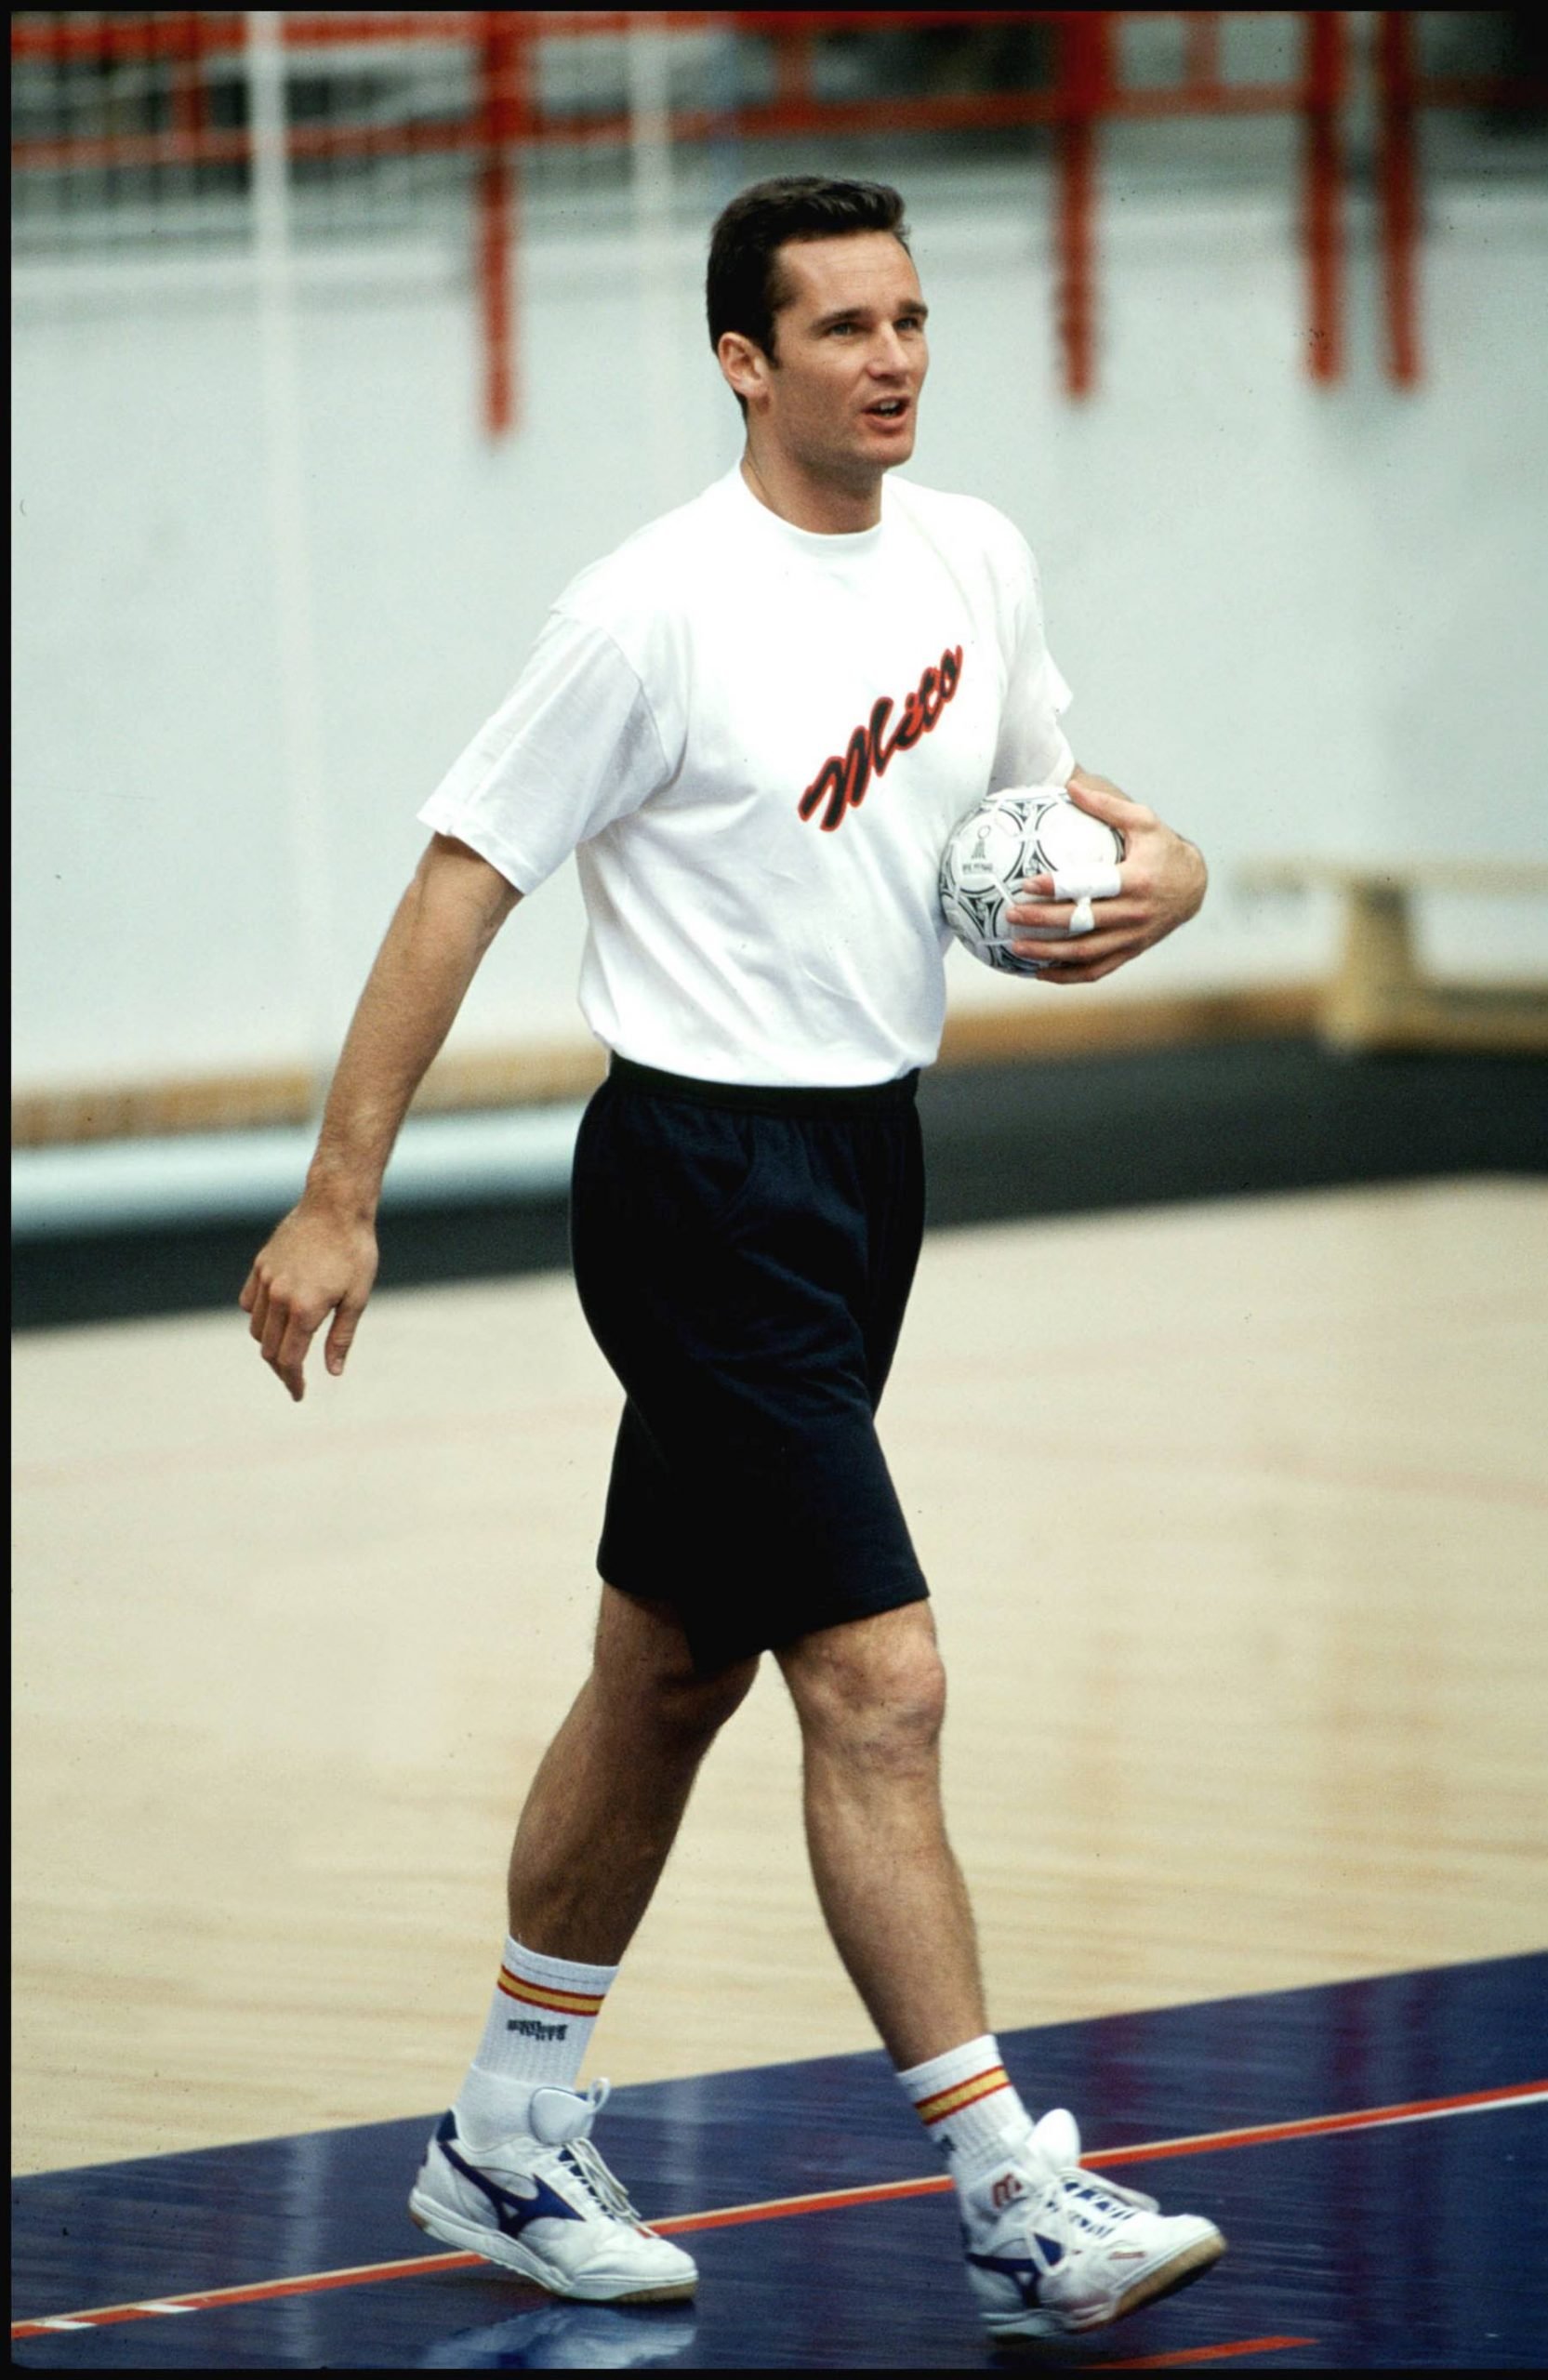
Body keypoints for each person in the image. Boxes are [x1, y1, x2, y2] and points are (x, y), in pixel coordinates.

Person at [240, 175, 1224, 2345]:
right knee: (878, 1682)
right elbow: (456, 880)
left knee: (666, 1666)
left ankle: (505, 2124)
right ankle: (1002, 2188)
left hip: (865, 1170)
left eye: (909, 316)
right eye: (841, 326)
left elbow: (1046, 786)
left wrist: (1162, 858)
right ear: (740, 361)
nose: (891, 357)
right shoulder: (648, 611)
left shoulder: (970, 554)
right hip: (692, 1185)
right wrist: (340, 1185)